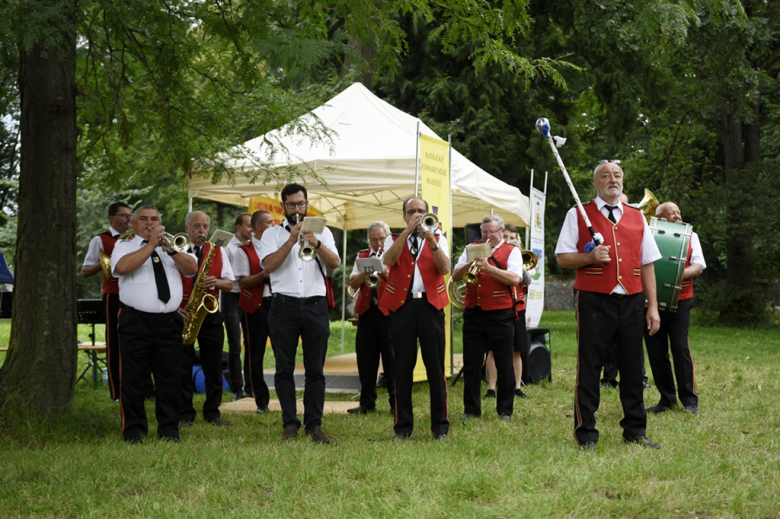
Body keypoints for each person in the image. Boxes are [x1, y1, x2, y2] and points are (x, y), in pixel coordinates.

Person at [555, 160, 662, 450]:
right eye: (606, 175)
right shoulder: (578, 214)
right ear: (596, 183)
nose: (612, 179)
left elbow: (648, 263)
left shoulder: (636, 216)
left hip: (631, 300)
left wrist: (652, 307)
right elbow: (563, 258)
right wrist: (589, 258)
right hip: (593, 300)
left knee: (632, 367)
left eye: (617, 175)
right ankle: (586, 433)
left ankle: (635, 431)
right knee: (590, 367)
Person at [259, 184, 340, 443]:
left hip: (315, 305)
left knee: (315, 369)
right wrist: (291, 240)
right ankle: (290, 423)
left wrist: (315, 243)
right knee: (284, 368)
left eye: (301, 204)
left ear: (307, 204)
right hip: (284, 305)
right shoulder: (272, 234)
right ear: (283, 205)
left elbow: (335, 263)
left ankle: (314, 425)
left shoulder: (323, 230)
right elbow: (268, 266)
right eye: (292, 204)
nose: (297, 209)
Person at [112, 205, 197, 443]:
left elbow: (192, 269)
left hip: (169, 321)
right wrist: (150, 246)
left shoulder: (173, 245)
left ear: (161, 223)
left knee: (170, 378)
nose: (149, 223)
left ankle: (169, 430)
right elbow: (121, 268)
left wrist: (169, 249)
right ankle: (134, 432)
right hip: (136, 321)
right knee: (134, 379)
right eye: (144, 219)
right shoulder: (124, 245)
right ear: (133, 223)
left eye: (155, 219)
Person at [379, 197, 450, 441]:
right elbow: (388, 261)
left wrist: (431, 241)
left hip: (430, 307)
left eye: (421, 211)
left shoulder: (439, 238)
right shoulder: (393, 238)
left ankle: (440, 427)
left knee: (435, 369)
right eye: (412, 212)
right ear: (404, 216)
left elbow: (444, 269)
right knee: (402, 369)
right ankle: (403, 427)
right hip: (403, 307)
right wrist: (407, 233)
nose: (417, 215)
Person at [453, 215, 523, 420]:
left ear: (501, 231)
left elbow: (515, 278)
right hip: (474, 312)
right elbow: (456, 275)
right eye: (484, 232)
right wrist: (470, 264)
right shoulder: (471, 248)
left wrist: (488, 267)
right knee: (472, 362)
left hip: (500, 313)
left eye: (491, 232)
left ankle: (504, 410)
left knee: (504, 362)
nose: (487, 236)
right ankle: (471, 409)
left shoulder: (512, 251)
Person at [645, 202, 705, 415]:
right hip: (651, 303)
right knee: (656, 352)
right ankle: (667, 399)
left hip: (681, 301)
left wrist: (673, 277)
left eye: (679, 212)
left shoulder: (692, 236)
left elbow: (698, 266)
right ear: (659, 218)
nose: (678, 216)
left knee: (680, 348)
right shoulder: (647, 235)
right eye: (672, 213)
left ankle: (689, 400)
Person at [178, 211, 235, 428]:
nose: (201, 230)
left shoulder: (217, 251)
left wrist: (217, 282)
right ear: (187, 229)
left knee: (213, 366)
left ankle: (212, 412)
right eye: (196, 226)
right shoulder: (177, 249)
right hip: (185, 314)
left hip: (210, 315)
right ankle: (185, 413)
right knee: (182, 366)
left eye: (205, 226)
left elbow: (230, 283)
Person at [81, 202, 132, 402]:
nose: (129, 219)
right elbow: (85, 271)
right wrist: (104, 263)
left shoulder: (135, 238)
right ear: (112, 218)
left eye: (130, 215)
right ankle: (116, 391)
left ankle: (142, 388)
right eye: (124, 215)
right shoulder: (100, 239)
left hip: (135, 293)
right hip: (114, 294)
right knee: (114, 342)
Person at [601, 193, 651, 391]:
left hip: (631, 290)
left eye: (623, 203)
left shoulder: (635, 220)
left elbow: (646, 260)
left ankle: (639, 378)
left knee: (633, 343)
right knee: (608, 340)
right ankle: (609, 377)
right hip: (605, 291)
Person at [347, 221, 395, 415]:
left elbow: (400, 283)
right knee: (366, 360)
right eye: (374, 239)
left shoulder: (393, 255)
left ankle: (396, 402)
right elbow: (352, 284)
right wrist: (365, 271)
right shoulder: (362, 255)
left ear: (388, 238)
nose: (378, 243)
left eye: (382, 239)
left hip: (388, 313)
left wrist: (383, 271)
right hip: (367, 313)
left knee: (392, 360)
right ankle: (367, 402)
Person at [232, 210, 276, 415]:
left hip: (278, 304)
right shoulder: (244, 250)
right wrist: (265, 273)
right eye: (270, 222)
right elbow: (244, 282)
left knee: (283, 353)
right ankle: (261, 400)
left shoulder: (278, 247)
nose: (273, 225)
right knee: (255, 354)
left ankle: (285, 394)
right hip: (257, 307)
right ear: (258, 226)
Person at [484, 223, 531, 400]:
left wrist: (519, 263)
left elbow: (527, 280)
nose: (509, 241)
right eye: (506, 237)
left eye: (512, 238)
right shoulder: (496, 253)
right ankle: (491, 387)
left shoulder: (519, 254)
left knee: (517, 349)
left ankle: (517, 386)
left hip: (517, 305)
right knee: (492, 350)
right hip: (498, 305)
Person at [222, 212, 253, 401]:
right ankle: (237, 389)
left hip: (250, 297)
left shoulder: (255, 244)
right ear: (238, 227)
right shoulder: (228, 246)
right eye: (249, 226)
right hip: (232, 296)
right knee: (235, 344)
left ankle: (251, 387)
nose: (252, 230)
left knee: (251, 344)